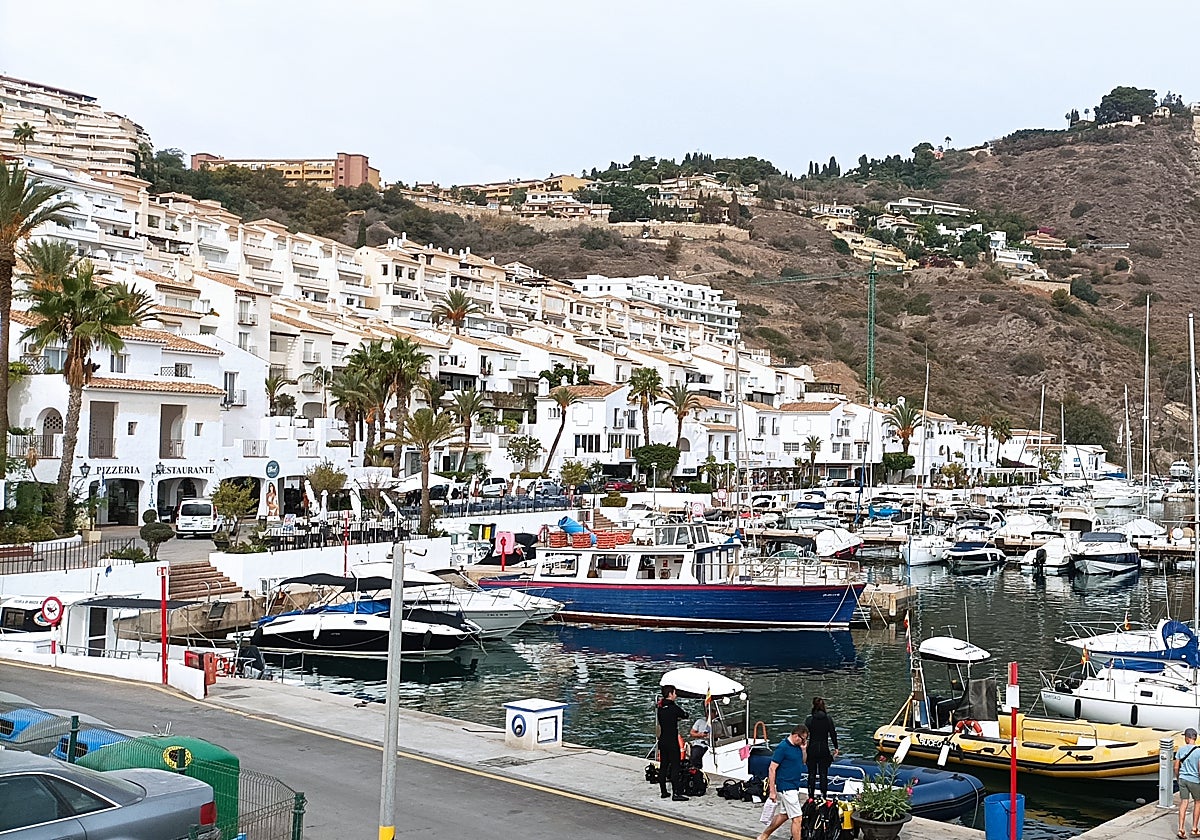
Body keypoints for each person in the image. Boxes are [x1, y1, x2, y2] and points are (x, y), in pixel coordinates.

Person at [757, 724, 808, 840]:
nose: (803, 741)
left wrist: (804, 749)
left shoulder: (798, 747)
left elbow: (803, 761)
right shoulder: (783, 747)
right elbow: (772, 768)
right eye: (803, 738)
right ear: (796, 736)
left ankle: (764, 836)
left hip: (794, 786)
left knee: (784, 815)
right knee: (798, 818)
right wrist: (772, 791)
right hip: (786, 787)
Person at [656, 685, 689, 801]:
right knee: (675, 767)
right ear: (670, 694)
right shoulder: (673, 708)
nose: (676, 695)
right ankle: (676, 793)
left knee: (663, 766)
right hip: (672, 741)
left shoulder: (660, 708)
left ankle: (663, 792)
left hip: (662, 740)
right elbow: (685, 714)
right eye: (675, 693)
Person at [804, 697, 840, 800]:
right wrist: (836, 747)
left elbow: (805, 735)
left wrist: (803, 747)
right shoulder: (828, 719)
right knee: (823, 774)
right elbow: (833, 734)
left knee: (811, 774)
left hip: (812, 748)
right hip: (824, 748)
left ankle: (811, 797)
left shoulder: (810, 719)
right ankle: (824, 795)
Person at [1177, 727, 1200, 838]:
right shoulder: (1199, 751)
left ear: (1187, 738)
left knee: (1183, 803)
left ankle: (1181, 829)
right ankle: (1194, 829)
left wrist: (1178, 777)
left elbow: (1176, 767)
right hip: (1195, 780)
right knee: (1198, 802)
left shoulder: (1181, 750)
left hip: (1183, 779)